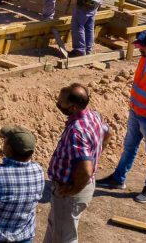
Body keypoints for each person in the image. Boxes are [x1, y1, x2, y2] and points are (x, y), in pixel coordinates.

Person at [96, 30, 146, 204]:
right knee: (129, 146)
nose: (139, 49)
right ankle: (118, 179)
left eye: (143, 46)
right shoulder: (145, 57)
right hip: (136, 112)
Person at [45, 83, 113, 243]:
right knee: (55, 227)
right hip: (79, 186)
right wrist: (96, 154)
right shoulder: (93, 115)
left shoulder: (77, 131)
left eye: (61, 102)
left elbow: (86, 170)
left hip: (70, 191)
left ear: (73, 107)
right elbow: (108, 133)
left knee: (63, 237)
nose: (58, 104)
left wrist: (73, 190)